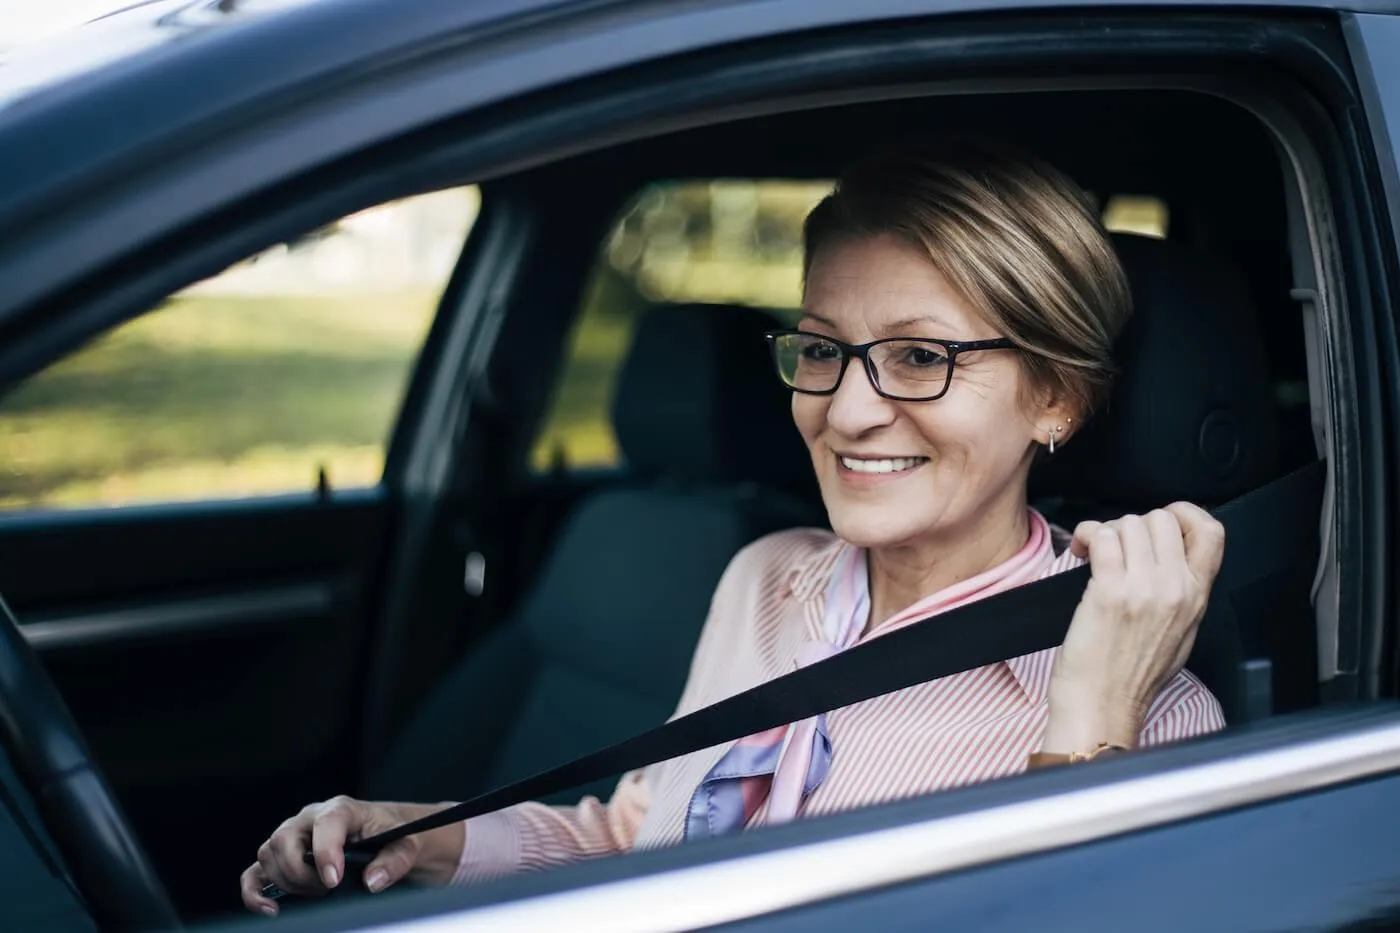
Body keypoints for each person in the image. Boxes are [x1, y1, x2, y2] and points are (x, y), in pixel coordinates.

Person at [242, 139, 1226, 916]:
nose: (844, 412)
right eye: (821, 351)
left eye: (921, 357)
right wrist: (424, 837)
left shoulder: (1141, 706)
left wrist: (1091, 728)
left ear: (1054, 398)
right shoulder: (764, 578)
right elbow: (637, 846)